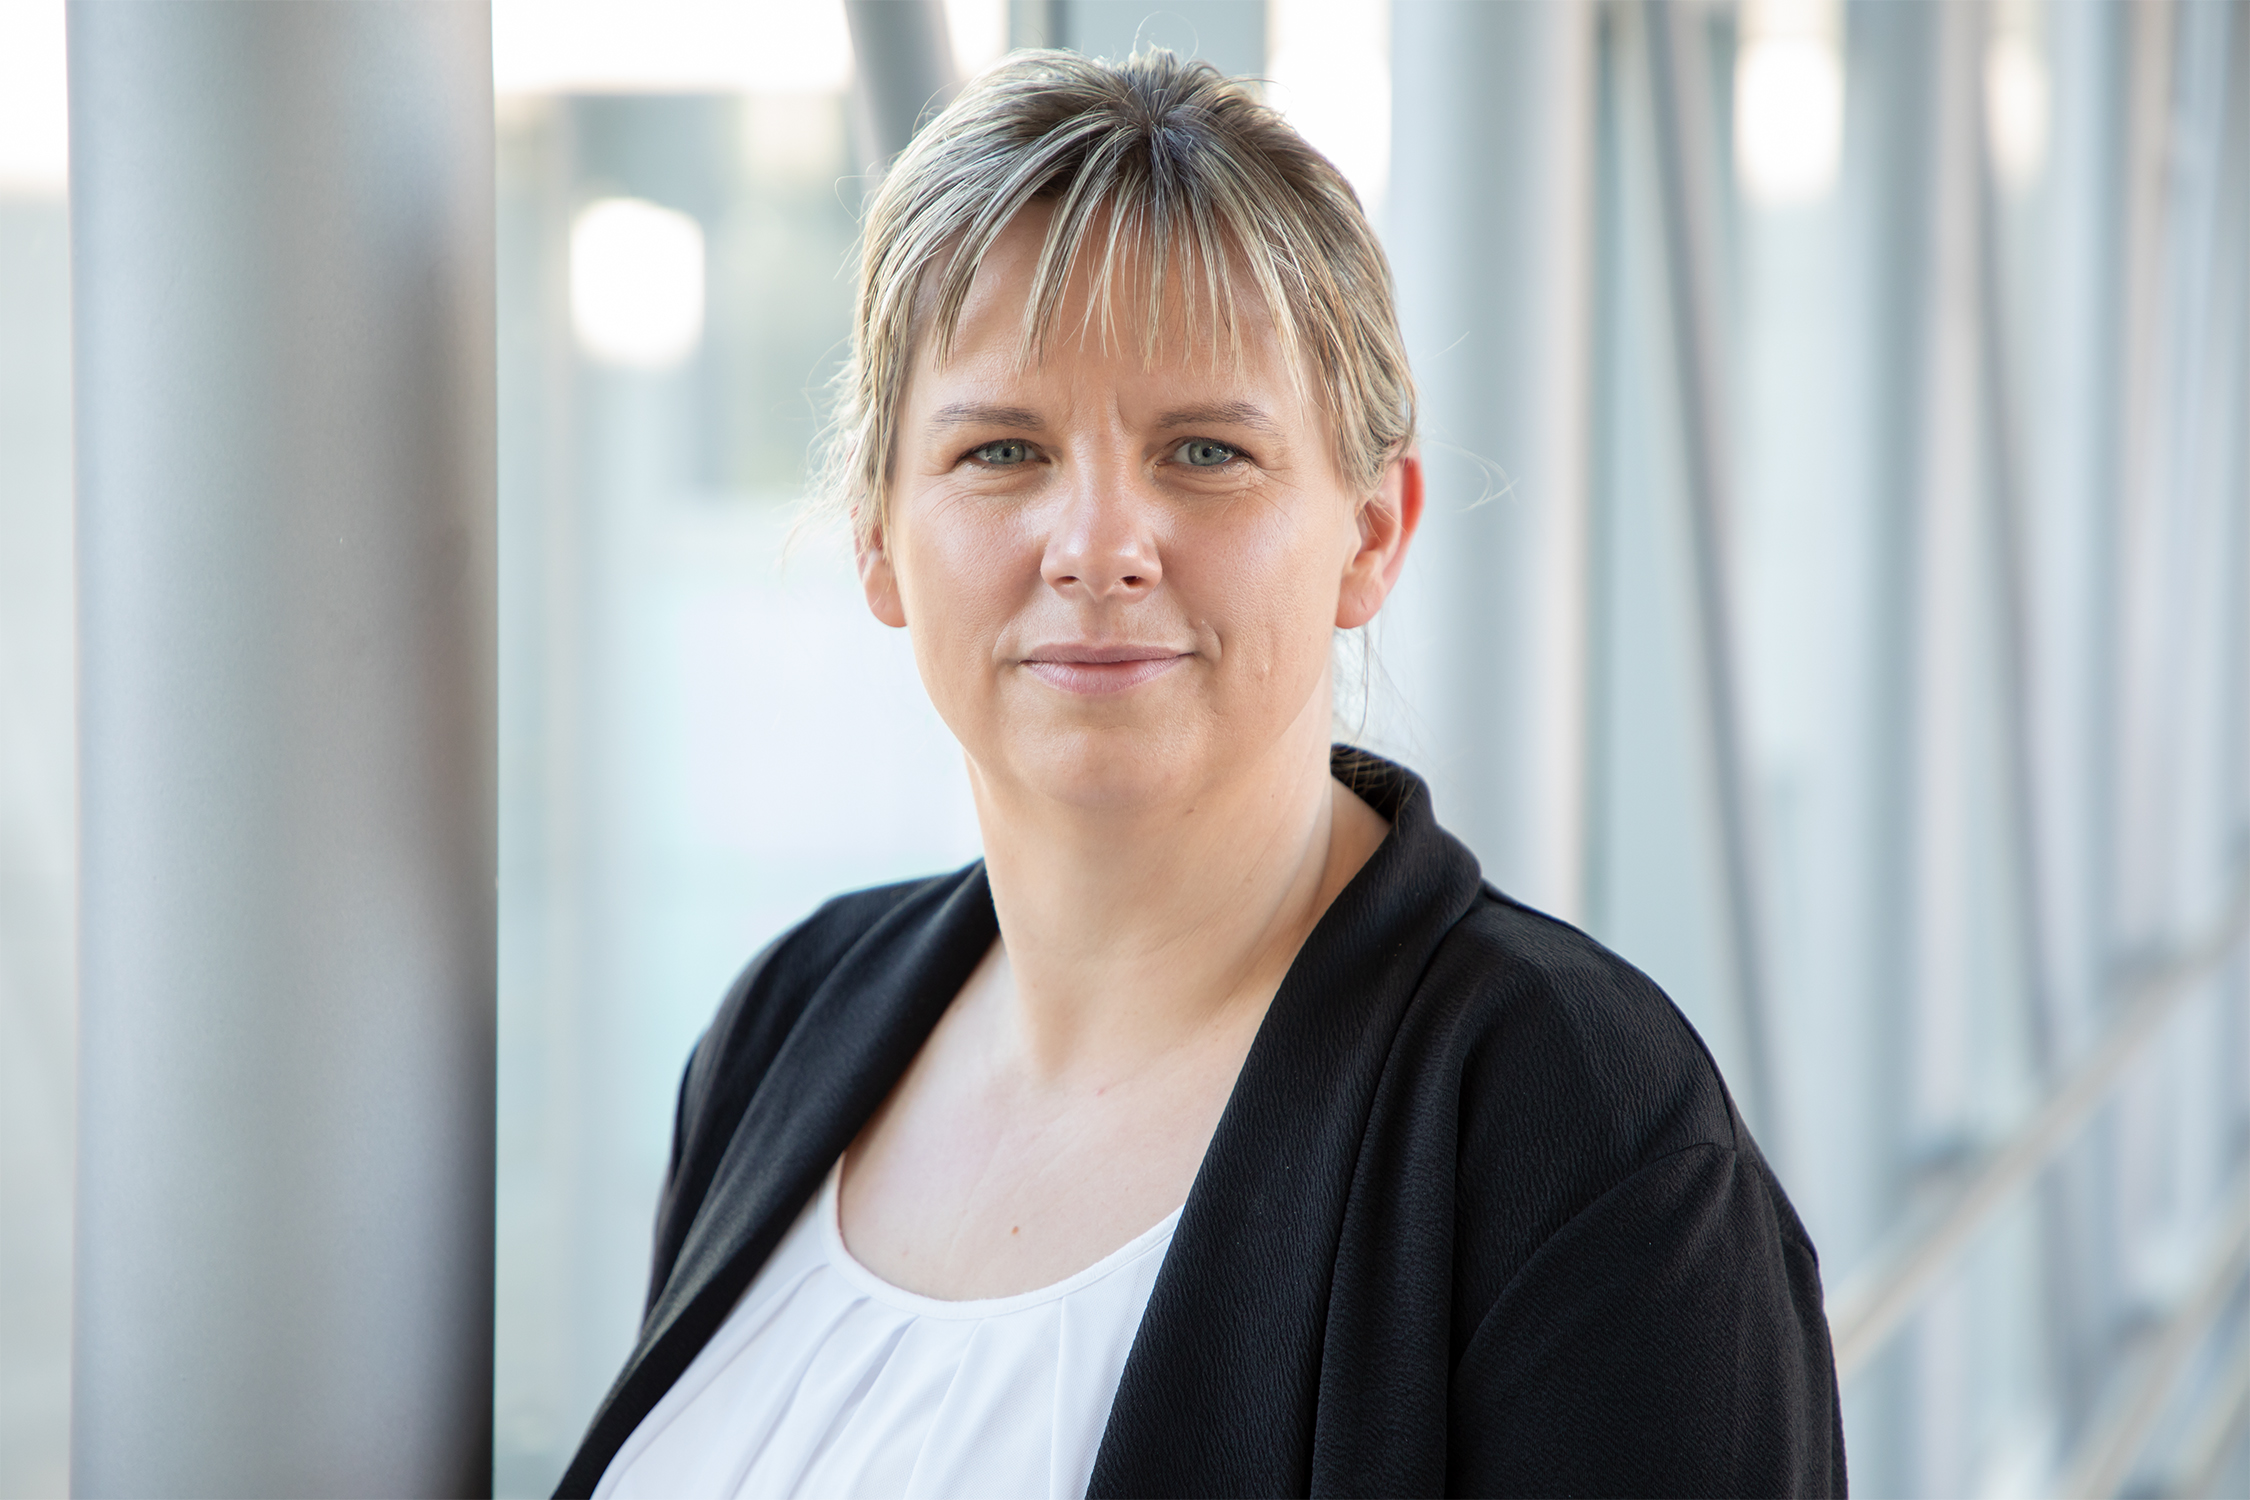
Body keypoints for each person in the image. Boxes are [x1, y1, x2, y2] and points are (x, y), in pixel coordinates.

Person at [559, 48, 1843, 1500]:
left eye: (1205, 452)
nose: (1097, 546)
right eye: (1002, 449)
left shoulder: (1581, 1132)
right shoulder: (789, 1024)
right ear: (877, 538)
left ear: (1370, 533)